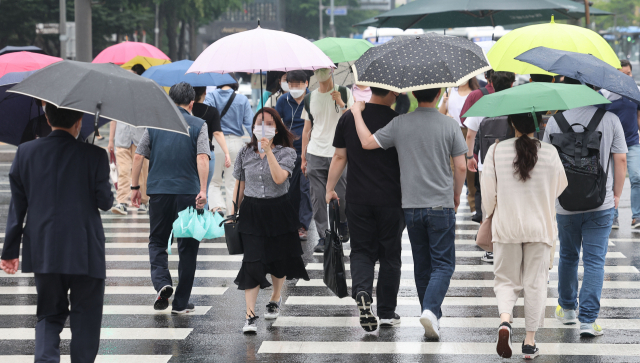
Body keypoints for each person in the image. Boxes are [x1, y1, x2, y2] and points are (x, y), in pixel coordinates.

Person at [350, 87, 468, 340]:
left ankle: (431, 313)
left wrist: (356, 114)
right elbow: (460, 166)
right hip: (440, 205)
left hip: (411, 206)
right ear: (438, 95)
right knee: (444, 264)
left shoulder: (400, 123)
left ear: (414, 94)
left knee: (423, 265)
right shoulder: (449, 125)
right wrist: (457, 194)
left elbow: (366, 142)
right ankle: (430, 311)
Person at [1, 103, 113, 362]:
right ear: (79, 121)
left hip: (44, 248)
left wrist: (9, 252)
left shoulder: (26, 153)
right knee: (86, 318)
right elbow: (105, 201)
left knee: (49, 315)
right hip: (86, 251)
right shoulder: (94, 155)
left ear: (47, 118)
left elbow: (18, 208)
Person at [544, 77, 627, 337]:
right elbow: (621, 159)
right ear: (593, 88)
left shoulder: (554, 122)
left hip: (564, 203)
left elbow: (546, 164)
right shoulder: (610, 119)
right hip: (599, 203)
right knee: (594, 261)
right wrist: (615, 196)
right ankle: (588, 321)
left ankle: (568, 309)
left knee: (568, 256)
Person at [482, 112, 568, 359]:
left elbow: (489, 196)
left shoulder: (496, 151)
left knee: (506, 280)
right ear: (538, 124)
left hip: (506, 226)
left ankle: (506, 322)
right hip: (539, 227)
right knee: (535, 282)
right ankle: (529, 342)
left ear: (512, 124)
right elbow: (559, 187)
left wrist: (492, 214)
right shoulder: (550, 152)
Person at [327, 87, 404, 332]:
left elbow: (340, 157)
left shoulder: (349, 117)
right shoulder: (398, 121)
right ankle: (387, 312)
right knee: (390, 255)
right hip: (392, 199)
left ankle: (362, 291)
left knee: (361, 250)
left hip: (358, 198)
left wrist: (329, 189)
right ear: (392, 91)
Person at [130, 82, 210, 314]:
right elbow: (203, 158)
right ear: (192, 103)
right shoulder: (199, 124)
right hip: (188, 193)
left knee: (158, 242)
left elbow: (138, 157)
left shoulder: (155, 125)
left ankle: (162, 282)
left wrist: (135, 186)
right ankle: (181, 303)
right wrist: (203, 190)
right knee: (187, 247)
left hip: (159, 193)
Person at [232, 107, 310, 334]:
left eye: (268, 123)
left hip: (279, 211)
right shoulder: (244, 153)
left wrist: (269, 152)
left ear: (276, 128)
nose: (262, 127)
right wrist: (233, 213)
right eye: (259, 123)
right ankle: (249, 316)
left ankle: (275, 298)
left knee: (278, 261)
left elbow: (278, 179)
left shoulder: (287, 153)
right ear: (253, 127)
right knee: (253, 262)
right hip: (252, 212)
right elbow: (240, 185)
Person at [462, 71, 515, 263]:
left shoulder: (482, 104)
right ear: (512, 84)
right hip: (512, 162)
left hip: (487, 163)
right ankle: (510, 245)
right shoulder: (516, 103)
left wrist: (470, 156)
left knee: (489, 206)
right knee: (509, 204)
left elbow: (470, 135)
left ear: (491, 82)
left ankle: (492, 249)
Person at [302, 67, 354, 252]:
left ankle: (343, 221)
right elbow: (307, 129)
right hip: (315, 153)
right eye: (318, 69)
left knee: (342, 196)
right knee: (317, 199)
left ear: (332, 70)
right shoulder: (309, 98)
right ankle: (324, 236)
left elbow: (353, 119)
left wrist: (340, 103)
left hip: (338, 154)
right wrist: (303, 157)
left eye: (324, 69)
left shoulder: (345, 92)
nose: (321, 72)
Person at [598, 60, 640, 229]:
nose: (626, 76)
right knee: (612, 180)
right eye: (622, 74)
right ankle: (613, 215)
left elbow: (638, 116)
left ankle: (637, 216)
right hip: (610, 145)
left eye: (628, 73)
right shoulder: (604, 94)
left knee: (637, 177)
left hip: (632, 142)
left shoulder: (635, 92)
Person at [205, 80, 253, 215]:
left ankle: (217, 207)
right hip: (236, 143)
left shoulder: (211, 96)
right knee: (233, 182)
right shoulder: (242, 99)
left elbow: (205, 117)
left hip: (216, 141)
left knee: (214, 180)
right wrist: (258, 145)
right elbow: (250, 124)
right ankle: (232, 216)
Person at [275, 70, 313, 241]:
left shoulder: (313, 99)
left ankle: (303, 225)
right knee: (291, 190)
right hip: (289, 151)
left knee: (306, 189)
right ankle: (291, 222)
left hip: (310, 150)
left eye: (299, 84)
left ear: (306, 84)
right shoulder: (283, 100)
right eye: (292, 84)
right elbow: (277, 122)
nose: (295, 87)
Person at [438, 78, 480, 214]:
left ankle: (473, 204)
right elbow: (440, 114)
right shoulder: (449, 91)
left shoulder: (474, 93)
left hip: (468, 131)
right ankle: (451, 205)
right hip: (451, 131)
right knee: (451, 169)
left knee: (470, 170)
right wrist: (445, 104)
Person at [192, 86, 232, 211]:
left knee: (190, 190)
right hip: (207, 152)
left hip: (188, 153)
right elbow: (217, 133)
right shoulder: (211, 111)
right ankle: (203, 222)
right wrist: (226, 152)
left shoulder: (186, 111)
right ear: (205, 92)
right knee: (205, 190)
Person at [108, 119, 148, 214]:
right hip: (122, 141)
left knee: (142, 173)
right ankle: (122, 202)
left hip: (141, 141)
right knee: (123, 171)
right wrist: (110, 141)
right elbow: (113, 120)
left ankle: (143, 201)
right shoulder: (119, 104)